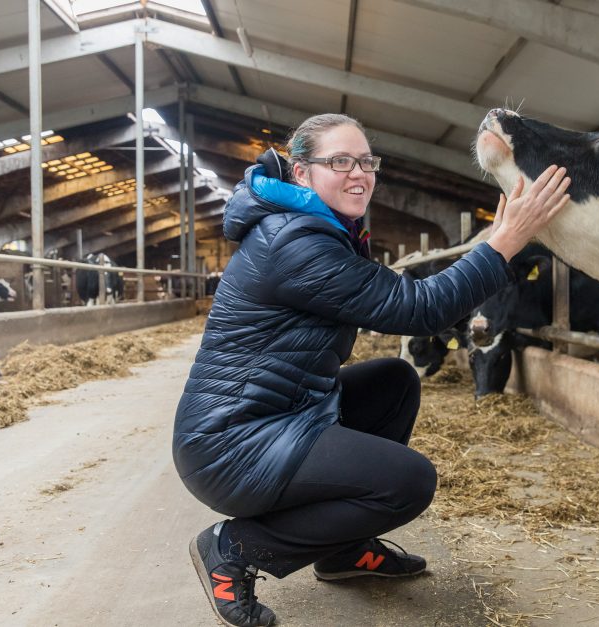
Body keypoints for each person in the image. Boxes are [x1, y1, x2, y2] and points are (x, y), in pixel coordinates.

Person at [173, 113, 571, 627]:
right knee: (406, 482)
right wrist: (503, 243)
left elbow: (402, 304)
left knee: (394, 382)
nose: (358, 173)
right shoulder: (297, 242)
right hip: (231, 445)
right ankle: (236, 547)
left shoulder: (312, 227)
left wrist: (494, 240)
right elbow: (419, 309)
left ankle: (342, 551)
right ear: (301, 174)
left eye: (366, 162)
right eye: (339, 161)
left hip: (272, 417)